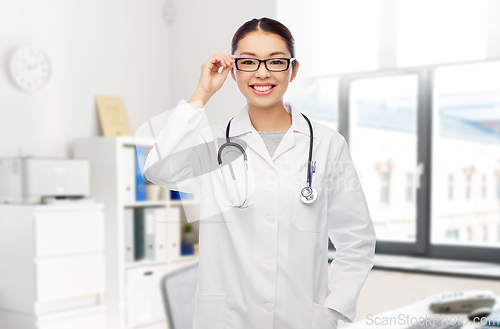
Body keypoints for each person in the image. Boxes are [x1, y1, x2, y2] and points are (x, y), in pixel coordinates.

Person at [143, 17, 376, 329]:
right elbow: (159, 169)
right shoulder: (213, 144)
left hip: (302, 319)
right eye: (249, 62)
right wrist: (201, 94)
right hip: (227, 320)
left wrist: (333, 308)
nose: (262, 72)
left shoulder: (326, 144)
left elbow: (356, 240)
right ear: (234, 70)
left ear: (293, 70)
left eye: (276, 61)